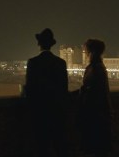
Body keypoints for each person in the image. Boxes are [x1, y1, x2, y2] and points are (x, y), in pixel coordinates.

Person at [24, 28, 69, 157]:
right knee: (60, 146)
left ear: (39, 44)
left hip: (40, 112)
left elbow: (30, 88)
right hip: (57, 112)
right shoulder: (60, 63)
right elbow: (63, 89)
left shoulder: (33, 62)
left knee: (42, 147)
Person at [78, 39, 113, 157]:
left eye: (86, 51)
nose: (85, 53)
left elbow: (90, 90)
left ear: (91, 52)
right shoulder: (99, 67)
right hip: (99, 113)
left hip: (94, 113)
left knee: (95, 147)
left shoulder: (95, 68)